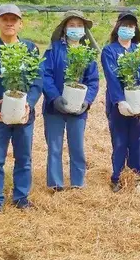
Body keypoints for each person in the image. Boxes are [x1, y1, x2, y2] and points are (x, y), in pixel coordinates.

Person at [0, 4, 42, 210]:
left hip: (23, 116)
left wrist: (29, 103)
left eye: (14, 19)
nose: (9, 23)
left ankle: (21, 197)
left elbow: (37, 79)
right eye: (5, 19)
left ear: (21, 23)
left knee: (24, 157)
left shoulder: (30, 49)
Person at [41, 11, 100, 191]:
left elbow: (93, 81)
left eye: (79, 25)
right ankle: (55, 184)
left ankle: (78, 182)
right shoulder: (53, 49)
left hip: (78, 109)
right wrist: (54, 98)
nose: (75, 29)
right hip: (54, 108)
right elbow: (45, 75)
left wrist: (87, 101)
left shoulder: (87, 53)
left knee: (77, 146)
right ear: (64, 28)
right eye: (71, 25)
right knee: (55, 147)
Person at [101, 12, 140, 192]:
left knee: (138, 142)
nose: (128, 29)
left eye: (132, 26)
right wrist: (120, 101)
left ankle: (136, 176)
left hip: (139, 105)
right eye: (125, 25)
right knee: (120, 141)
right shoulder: (110, 50)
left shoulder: (139, 50)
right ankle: (117, 177)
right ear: (117, 27)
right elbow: (112, 77)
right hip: (119, 107)